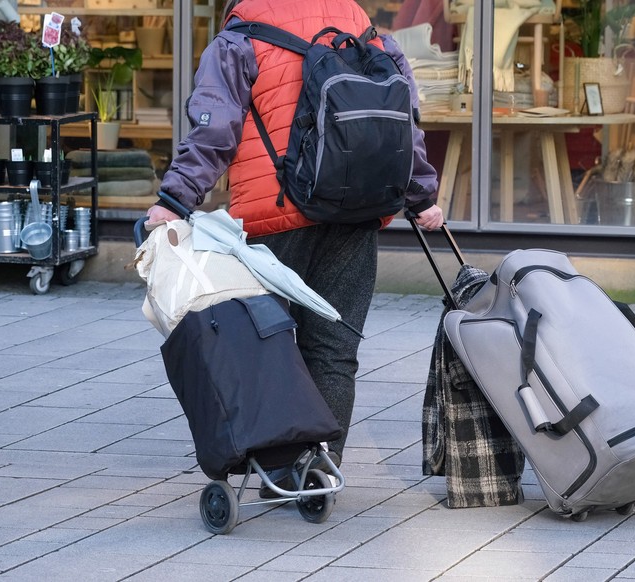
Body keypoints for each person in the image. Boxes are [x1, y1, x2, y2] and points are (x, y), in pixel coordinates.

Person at [146, 0, 444, 484]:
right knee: (334, 348)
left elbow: (215, 129)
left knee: (268, 346)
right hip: (357, 210)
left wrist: (175, 199)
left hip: (277, 215)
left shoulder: (242, 35)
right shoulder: (363, 25)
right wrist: (420, 195)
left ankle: (277, 466)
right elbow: (401, 117)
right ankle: (319, 472)